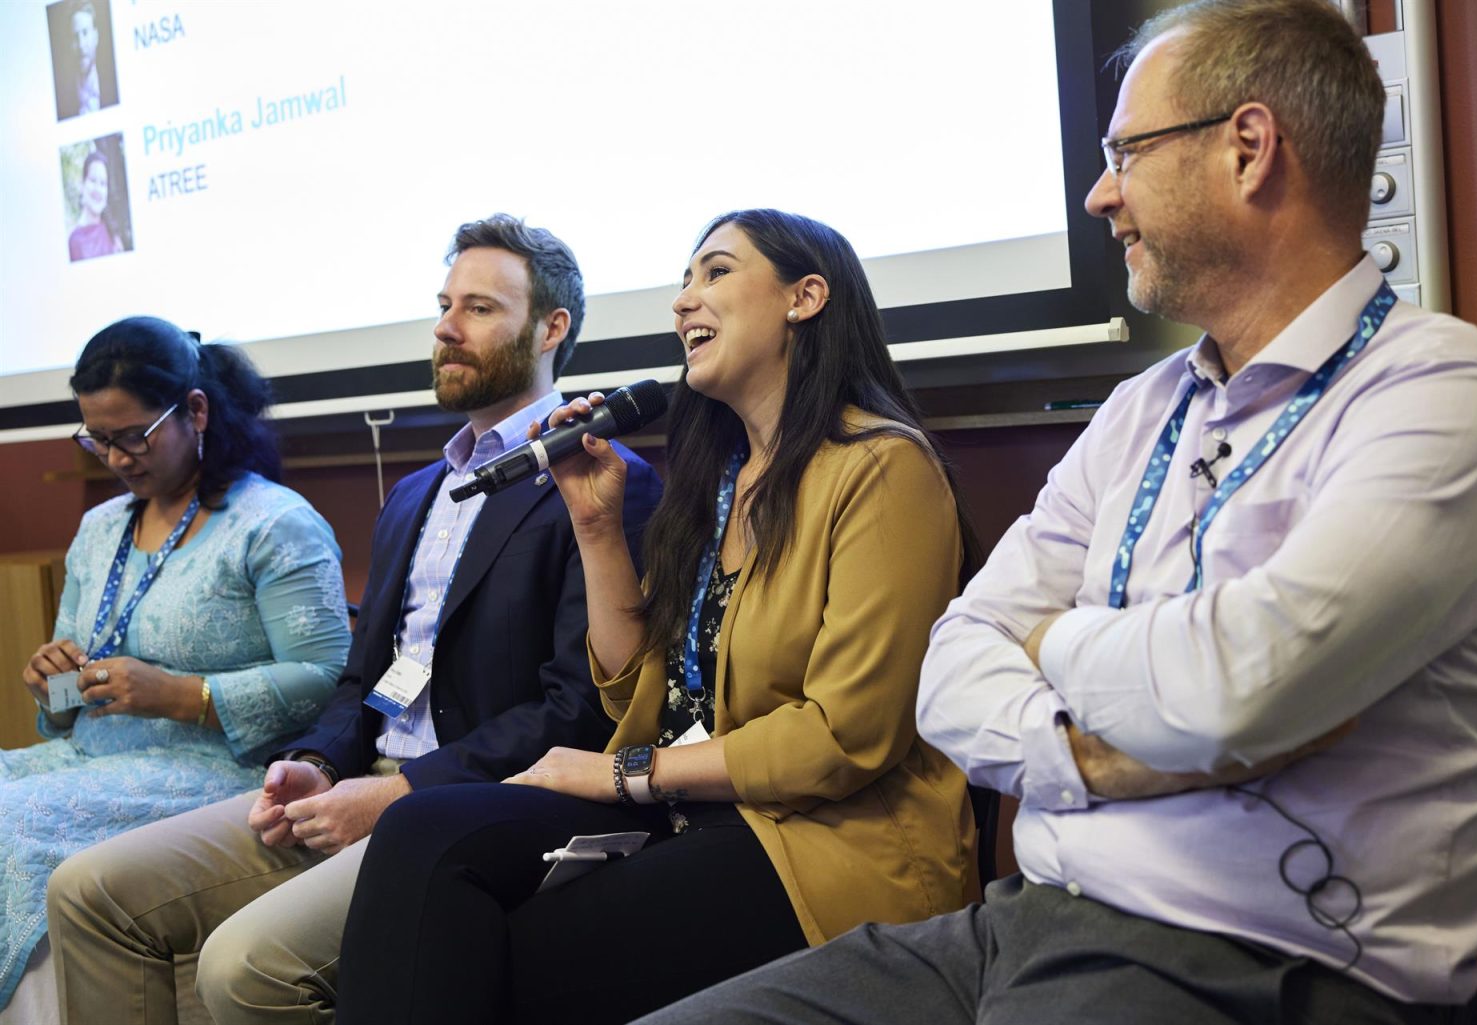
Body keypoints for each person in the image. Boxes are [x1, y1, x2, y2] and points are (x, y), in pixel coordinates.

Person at [631, 3, 1477, 1024]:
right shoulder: (1142, 409)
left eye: (1127, 152)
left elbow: (1238, 687)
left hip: (1263, 960)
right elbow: (955, 663)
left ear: (1248, 149)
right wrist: (1097, 751)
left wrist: (1053, 634)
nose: (1102, 193)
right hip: (1027, 918)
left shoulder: (1436, 389)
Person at [333, 209, 978, 1025]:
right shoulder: (723, 478)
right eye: (682, 280)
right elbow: (642, 697)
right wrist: (596, 526)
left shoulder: (882, 466)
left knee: (523, 950)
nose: (683, 303)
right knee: (423, 832)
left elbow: (845, 734)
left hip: (829, 835)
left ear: (805, 298)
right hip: (699, 806)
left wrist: (620, 773)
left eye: (714, 273)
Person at [45, 215, 663, 1025]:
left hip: (472, 800)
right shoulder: (416, 494)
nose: (444, 327)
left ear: (553, 328)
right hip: (361, 782)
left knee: (242, 967)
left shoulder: (604, 482)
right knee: (88, 891)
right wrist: (315, 758)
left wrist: (403, 789)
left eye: (477, 308)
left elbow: (581, 705)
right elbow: (364, 680)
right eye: (443, 304)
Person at [1, 316, 351, 1021]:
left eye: (134, 434)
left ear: (195, 411)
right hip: (88, 753)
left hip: (219, 763)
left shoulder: (272, 522)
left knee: (12, 820)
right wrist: (54, 683)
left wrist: (185, 694)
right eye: (96, 438)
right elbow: (75, 690)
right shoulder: (101, 527)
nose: (117, 456)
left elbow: (327, 674)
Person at [66, 150, 124, 262]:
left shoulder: (112, 233)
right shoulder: (75, 241)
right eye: (93, 180)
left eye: (103, 183)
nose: (98, 189)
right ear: (82, 184)